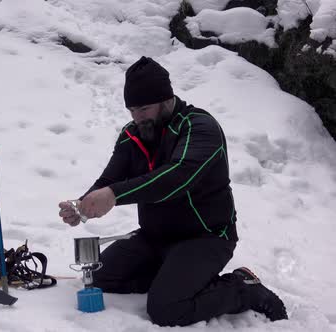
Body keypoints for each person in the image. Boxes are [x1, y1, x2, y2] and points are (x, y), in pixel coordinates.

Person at [58, 56, 288, 326]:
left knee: (166, 309)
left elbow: (178, 177)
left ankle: (243, 288)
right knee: (101, 277)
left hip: (205, 237)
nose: (137, 117)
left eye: (143, 108)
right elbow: (111, 178)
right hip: (155, 237)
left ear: (166, 100)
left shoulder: (199, 127)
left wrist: (113, 195)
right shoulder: (132, 134)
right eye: (132, 110)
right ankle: (174, 277)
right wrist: (84, 204)